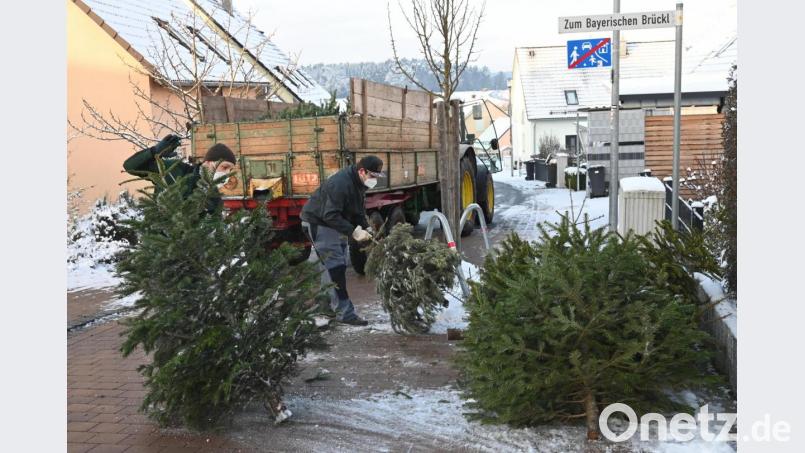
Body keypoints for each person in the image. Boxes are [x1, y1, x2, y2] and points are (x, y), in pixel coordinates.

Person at [300, 156, 384, 326]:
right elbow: (330, 215)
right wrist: (353, 232)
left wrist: (365, 228)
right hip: (319, 223)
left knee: (333, 266)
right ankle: (345, 313)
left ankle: (325, 305)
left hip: (333, 223)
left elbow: (358, 210)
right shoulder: (341, 183)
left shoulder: (359, 183)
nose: (374, 180)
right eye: (372, 176)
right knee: (335, 267)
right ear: (362, 171)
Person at [123, 134, 237, 199]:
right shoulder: (174, 170)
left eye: (230, 170)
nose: (227, 173)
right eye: (224, 167)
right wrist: (154, 152)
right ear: (207, 163)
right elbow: (130, 166)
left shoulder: (214, 196)